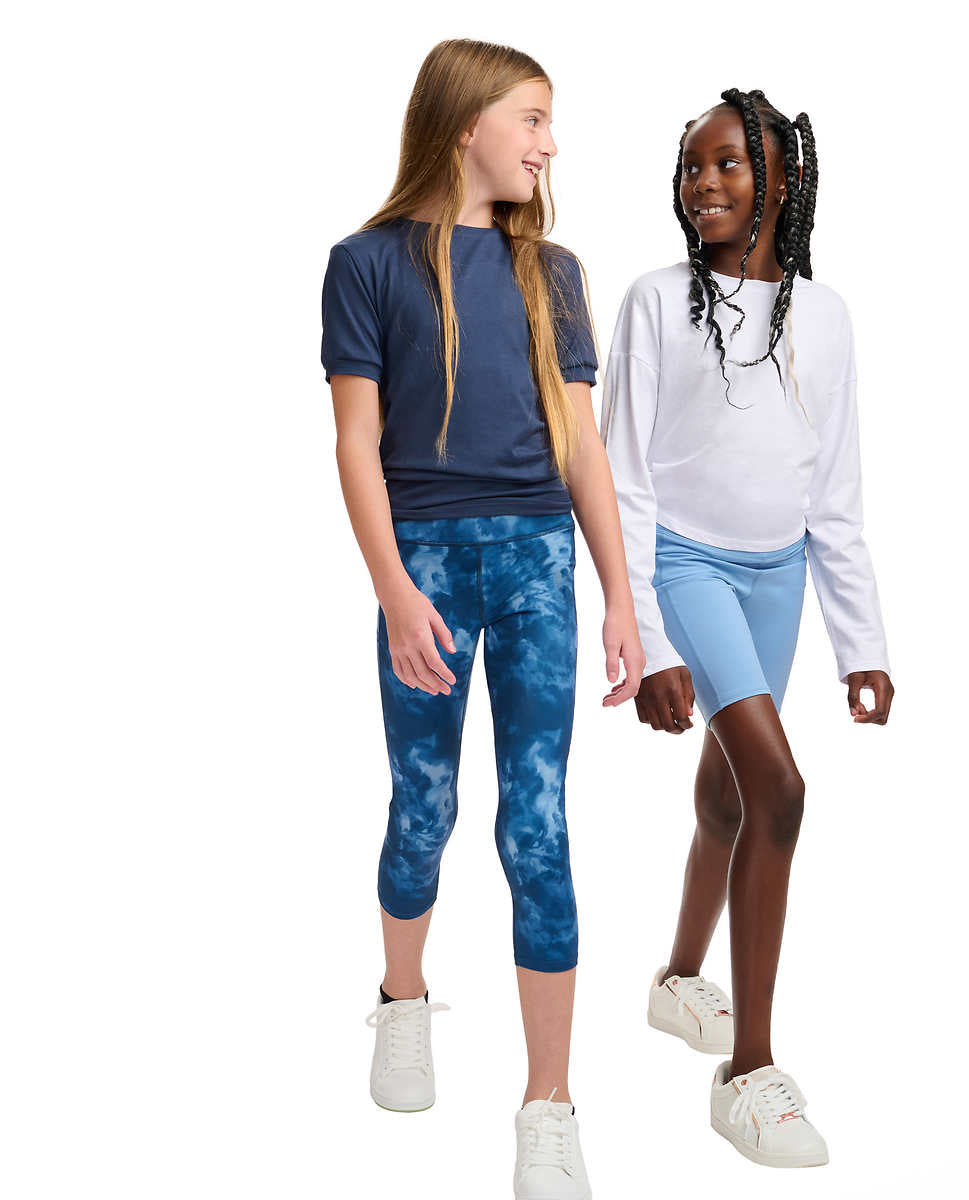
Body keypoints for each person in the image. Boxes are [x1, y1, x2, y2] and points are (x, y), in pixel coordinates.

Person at [321, 38, 643, 1200]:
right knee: (425, 806)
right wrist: (394, 590)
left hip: (537, 563)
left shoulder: (551, 272)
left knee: (537, 824)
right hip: (424, 561)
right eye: (533, 119)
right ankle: (402, 998)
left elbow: (581, 446)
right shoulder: (365, 264)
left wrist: (619, 594)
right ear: (467, 124)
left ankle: (549, 1104)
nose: (549, 143)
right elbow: (356, 441)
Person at [601, 87, 895, 1169]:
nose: (705, 183)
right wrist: (649, 643)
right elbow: (622, 479)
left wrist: (861, 644)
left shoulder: (827, 316)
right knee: (780, 790)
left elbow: (836, 491)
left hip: (780, 574)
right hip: (686, 564)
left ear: (785, 180)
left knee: (729, 794)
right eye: (693, 165)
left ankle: (680, 981)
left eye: (728, 163)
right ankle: (748, 1072)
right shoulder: (653, 300)